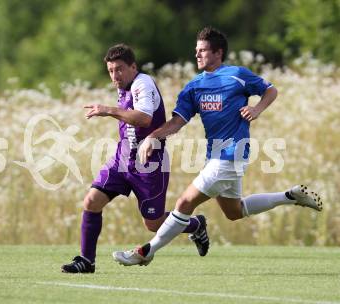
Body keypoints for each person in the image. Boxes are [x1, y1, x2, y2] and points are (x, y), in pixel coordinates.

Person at [112, 27, 323, 266]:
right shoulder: (193, 87)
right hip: (215, 156)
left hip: (231, 154)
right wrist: (154, 137)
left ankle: (146, 252)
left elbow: (270, 90)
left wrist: (256, 109)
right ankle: (289, 196)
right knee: (235, 211)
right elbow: (177, 122)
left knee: (184, 203)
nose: (198, 55)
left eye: (203, 51)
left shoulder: (237, 75)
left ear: (218, 53)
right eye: (196, 51)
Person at [61, 44, 208, 273]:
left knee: (154, 224)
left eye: (119, 69)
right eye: (110, 71)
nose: (114, 76)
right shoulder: (125, 85)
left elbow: (144, 119)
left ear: (133, 67)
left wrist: (108, 110)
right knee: (91, 201)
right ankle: (86, 261)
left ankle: (196, 224)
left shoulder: (142, 83)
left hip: (150, 163)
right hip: (123, 158)